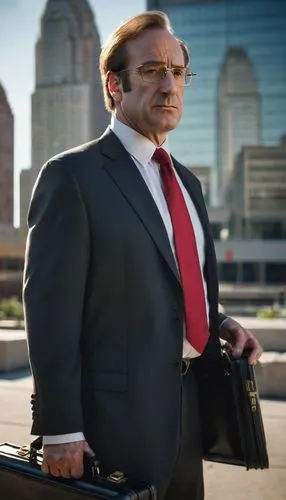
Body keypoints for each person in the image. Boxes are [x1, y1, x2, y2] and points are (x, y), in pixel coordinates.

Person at [23, 11, 262, 500]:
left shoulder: (188, 183)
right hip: (110, 428)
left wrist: (220, 323)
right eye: (152, 70)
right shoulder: (72, 177)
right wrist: (61, 429)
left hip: (188, 412)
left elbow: (172, 285)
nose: (169, 86)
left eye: (177, 73)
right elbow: (50, 313)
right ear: (115, 84)